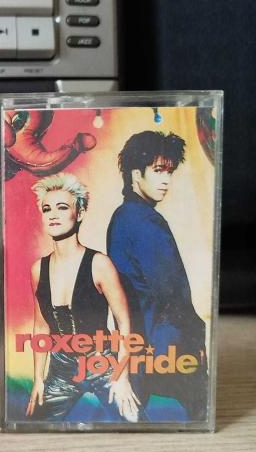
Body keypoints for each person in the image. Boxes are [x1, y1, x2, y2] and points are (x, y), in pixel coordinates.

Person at [107, 130, 207, 419]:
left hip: (138, 345)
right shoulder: (146, 221)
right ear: (135, 174)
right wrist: (197, 335)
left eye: (170, 172)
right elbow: (170, 291)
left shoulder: (121, 216)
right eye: (158, 170)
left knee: (134, 419)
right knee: (198, 409)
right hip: (164, 344)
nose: (166, 180)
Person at [26, 172, 140, 423]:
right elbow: (41, 327)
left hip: (102, 364)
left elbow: (124, 323)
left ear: (79, 213)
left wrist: (122, 377)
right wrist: (38, 379)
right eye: (47, 209)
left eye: (62, 207)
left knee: (135, 422)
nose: (53, 215)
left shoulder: (100, 264)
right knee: (36, 425)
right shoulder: (37, 270)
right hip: (61, 369)